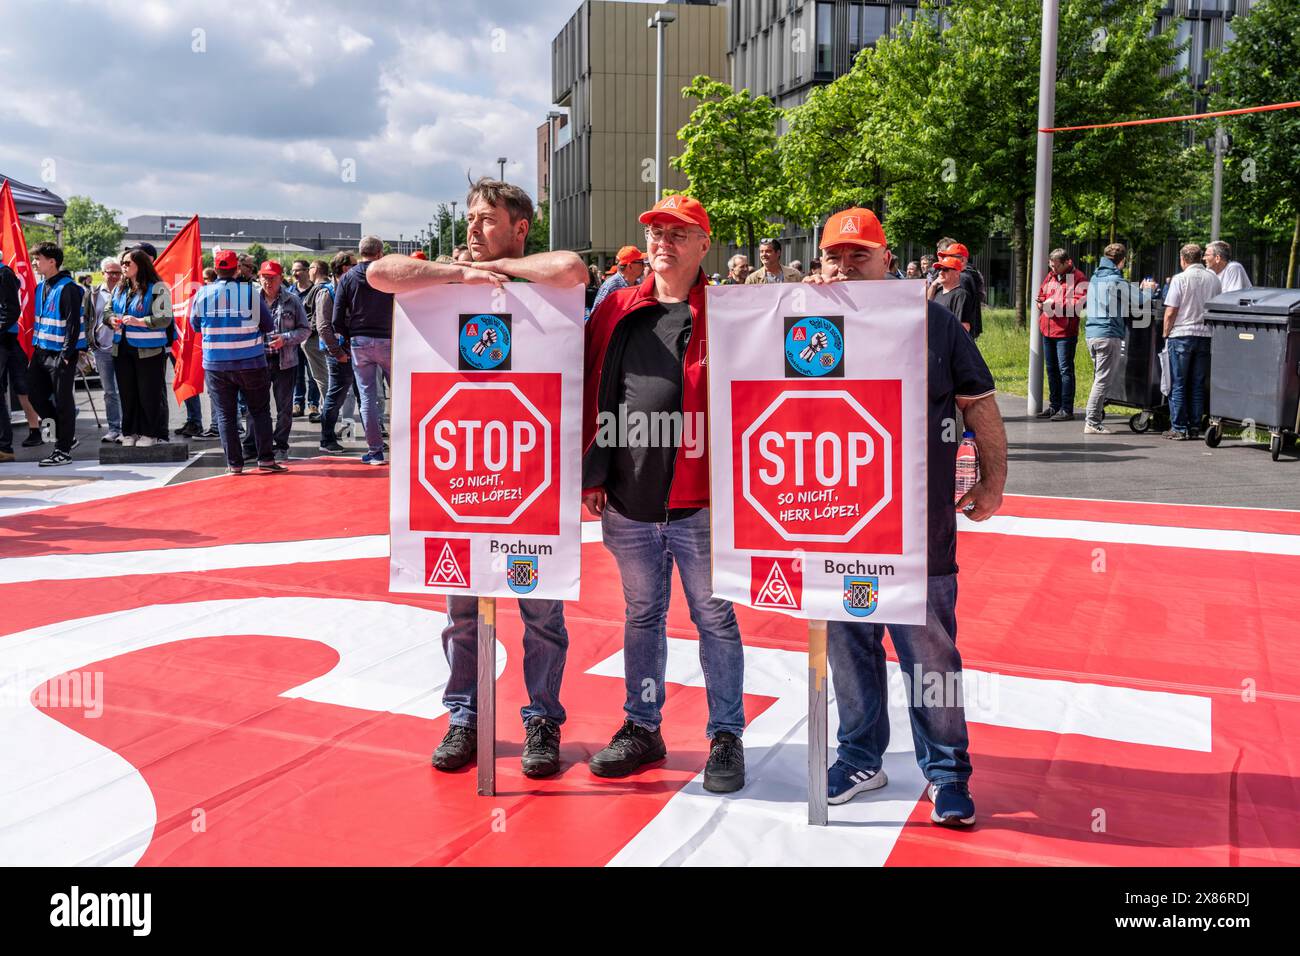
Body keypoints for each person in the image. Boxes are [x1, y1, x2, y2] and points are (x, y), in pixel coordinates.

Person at [368, 177, 589, 779]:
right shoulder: (445, 278)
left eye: (487, 218)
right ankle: (464, 716)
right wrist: (457, 275)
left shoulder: (540, 275)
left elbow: (572, 267)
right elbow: (379, 274)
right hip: (459, 478)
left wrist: (507, 270)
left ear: (520, 228)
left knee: (541, 614)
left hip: (529, 482)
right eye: (470, 216)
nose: (473, 226)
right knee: (462, 614)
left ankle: (541, 718)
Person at [803, 207, 1007, 825]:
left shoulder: (934, 323)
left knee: (931, 656)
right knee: (848, 646)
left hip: (919, 529)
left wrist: (995, 479)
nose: (844, 267)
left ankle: (946, 772)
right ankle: (861, 757)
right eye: (833, 256)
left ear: (887, 259)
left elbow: (979, 403)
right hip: (835, 523)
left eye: (858, 255)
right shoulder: (802, 325)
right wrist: (795, 308)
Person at [582, 194, 747, 794]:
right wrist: (594, 473)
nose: (663, 243)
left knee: (714, 617)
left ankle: (726, 734)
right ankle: (642, 727)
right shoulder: (616, 307)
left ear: (705, 245)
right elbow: (592, 387)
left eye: (679, 234)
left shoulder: (729, 313)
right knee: (642, 616)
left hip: (702, 502)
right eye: (655, 230)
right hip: (630, 500)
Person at [189, 249, 284, 475]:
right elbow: (269, 326)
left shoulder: (202, 294)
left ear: (216, 267)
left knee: (225, 415)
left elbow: (194, 326)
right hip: (251, 362)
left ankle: (234, 464)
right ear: (236, 269)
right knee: (259, 411)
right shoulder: (249, 293)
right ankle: (266, 460)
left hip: (216, 365)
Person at [1083, 243, 1157, 435]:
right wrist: (1148, 289)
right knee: (1102, 380)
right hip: (1108, 335)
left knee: (1099, 378)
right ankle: (1092, 421)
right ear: (1122, 260)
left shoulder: (1095, 278)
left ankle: (1095, 415)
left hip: (1092, 334)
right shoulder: (1116, 280)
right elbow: (1141, 301)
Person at [331, 236, 393, 466]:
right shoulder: (388, 275)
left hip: (360, 342)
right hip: (389, 339)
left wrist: (348, 337)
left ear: (360, 253)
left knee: (366, 397)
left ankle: (375, 452)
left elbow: (336, 318)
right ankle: (407, 447)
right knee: (400, 395)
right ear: (380, 253)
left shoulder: (347, 277)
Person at [107, 248, 175, 447]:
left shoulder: (158, 288)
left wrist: (140, 321)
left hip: (149, 351)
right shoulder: (120, 288)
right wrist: (110, 319)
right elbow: (107, 310)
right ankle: (130, 432)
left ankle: (150, 433)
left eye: (128, 263)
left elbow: (165, 318)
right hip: (122, 349)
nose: (124, 267)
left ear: (141, 265)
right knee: (127, 393)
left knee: (148, 394)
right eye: (123, 263)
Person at [28, 241, 86, 467]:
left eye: (38, 259)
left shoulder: (68, 288)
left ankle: (62, 450)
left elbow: (73, 325)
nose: (34, 263)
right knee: (35, 397)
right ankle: (65, 436)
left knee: (63, 402)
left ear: (52, 262)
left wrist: (66, 354)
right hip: (41, 352)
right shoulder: (40, 287)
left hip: (61, 355)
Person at [252, 260, 310, 462]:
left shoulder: (292, 301)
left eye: (272, 278)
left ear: (280, 278)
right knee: (257, 407)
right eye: (264, 277)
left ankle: (281, 445)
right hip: (257, 362)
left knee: (284, 408)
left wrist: (285, 339)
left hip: (285, 362)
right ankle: (257, 445)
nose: (267, 282)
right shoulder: (251, 300)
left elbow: (305, 330)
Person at [1163, 243, 1221, 440]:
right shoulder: (1213, 278)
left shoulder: (1180, 279)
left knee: (1178, 383)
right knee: (1197, 383)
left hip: (1181, 334)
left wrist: (1165, 333)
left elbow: (1171, 311)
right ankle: (1195, 425)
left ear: (1183, 260)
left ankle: (1179, 427)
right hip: (1205, 335)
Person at [0, 250, 43, 462]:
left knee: (23, 387)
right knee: (19, 387)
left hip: (6, 340)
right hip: (8, 339)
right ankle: (6, 444)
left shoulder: (4, 274)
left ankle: (38, 431)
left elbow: (11, 310)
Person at [1034, 249, 1086, 421]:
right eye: (1051, 266)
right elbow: (1042, 294)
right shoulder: (1050, 277)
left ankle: (1066, 409)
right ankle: (1054, 406)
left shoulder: (1078, 278)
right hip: (1047, 329)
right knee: (1051, 370)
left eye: (1056, 266)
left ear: (1066, 263)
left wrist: (1054, 304)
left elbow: (1078, 304)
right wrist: (1041, 303)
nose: (1053, 269)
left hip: (1065, 332)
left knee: (1065, 370)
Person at [317, 252, 356, 454]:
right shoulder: (327, 293)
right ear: (344, 268)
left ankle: (373, 436)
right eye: (354, 264)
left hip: (353, 350)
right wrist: (338, 352)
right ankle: (326, 438)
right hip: (339, 352)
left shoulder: (349, 288)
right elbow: (323, 328)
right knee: (336, 394)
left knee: (359, 394)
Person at [84, 257, 124, 443]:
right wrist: (91, 344)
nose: (115, 276)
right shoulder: (93, 294)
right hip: (102, 349)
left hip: (123, 348)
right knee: (109, 392)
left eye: (118, 272)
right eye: (111, 273)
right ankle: (114, 428)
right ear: (103, 274)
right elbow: (86, 319)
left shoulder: (126, 292)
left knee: (125, 390)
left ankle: (127, 428)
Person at [288, 259, 320, 419]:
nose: (294, 273)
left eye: (298, 270)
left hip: (312, 339)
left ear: (307, 271)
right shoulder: (289, 291)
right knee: (297, 374)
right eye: (293, 270)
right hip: (294, 339)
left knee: (313, 373)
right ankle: (297, 403)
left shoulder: (315, 290)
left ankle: (313, 405)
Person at [931, 255, 978, 335]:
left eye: (945, 269)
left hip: (948, 345)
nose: (940, 272)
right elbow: (926, 304)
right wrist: (933, 285)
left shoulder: (961, 295)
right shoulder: (938, 292)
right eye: (940, 269)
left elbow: (964, 327)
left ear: (957, 273)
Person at [591, 245, 646, 312]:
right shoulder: (611, 286)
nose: (644, 266)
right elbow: (596, 314)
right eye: (641, 262)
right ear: (630, 266)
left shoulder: (638, 283)